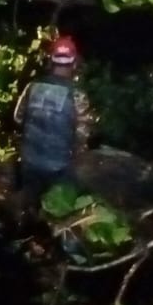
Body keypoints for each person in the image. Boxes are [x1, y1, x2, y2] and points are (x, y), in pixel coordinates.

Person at [12, 34, 95, 221]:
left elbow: (18, 118)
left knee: (29, 212)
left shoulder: (32, 87)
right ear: (74, 63)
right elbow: (83, 132)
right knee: (60, 215)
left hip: (30, 161)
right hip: (60, 167)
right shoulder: (77, 94)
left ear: (51, 60)